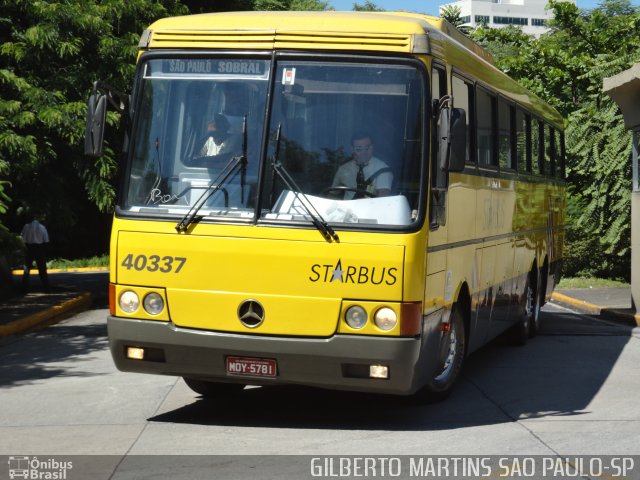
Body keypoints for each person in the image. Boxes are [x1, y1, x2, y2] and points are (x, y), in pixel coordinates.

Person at [331, 131, 393, 199]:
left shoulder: (382, 169)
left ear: (372, 147)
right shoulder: (344, 169)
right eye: (358, 149)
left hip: (371, 208)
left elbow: (383, 199)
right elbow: (333, 194)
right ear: (352, 150)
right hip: (346, 209)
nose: (364, 152)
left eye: (367, 148)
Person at [21, 215, 50, 293]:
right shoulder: (42, 227)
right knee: (42, 269)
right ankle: (46, 288)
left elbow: (22, 239)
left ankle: (24, 289)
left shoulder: (26, 226)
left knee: (27, 268)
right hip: (40, 248)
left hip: (29, 247)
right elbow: (46, 240)